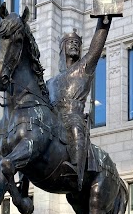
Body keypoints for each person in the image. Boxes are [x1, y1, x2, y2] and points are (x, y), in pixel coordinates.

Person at [47, 16, 112, 190]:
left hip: (73, 116)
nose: (74, 45)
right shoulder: (51, 82)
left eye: (77, 43)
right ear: (62, 48)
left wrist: (105, 20)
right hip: (54, 122)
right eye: (70, 42)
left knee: (76, 127)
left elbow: (95, 49)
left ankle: (76, 168)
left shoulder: (83, 68)